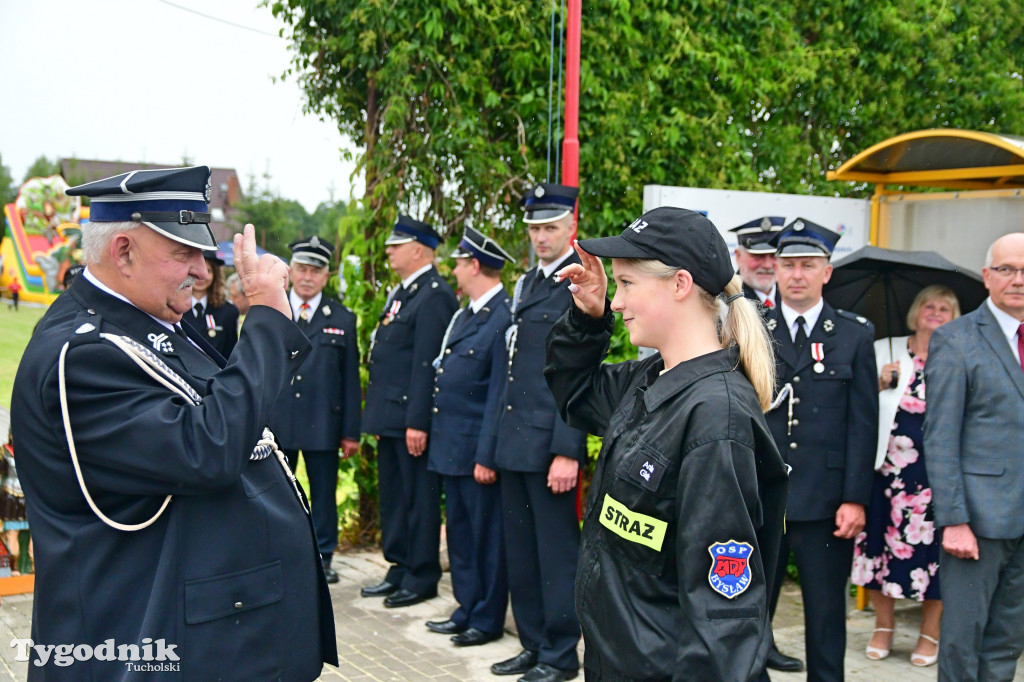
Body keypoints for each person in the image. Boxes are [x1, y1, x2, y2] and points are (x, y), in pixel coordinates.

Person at [10, 166, 336, 679]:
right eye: (182, 253)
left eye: (202, 253)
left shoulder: (149, 320)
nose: (202, 271)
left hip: (207, 636)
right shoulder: (83, 356)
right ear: (122, 251)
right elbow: (208, 449)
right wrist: (268, 322)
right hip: (141, 642)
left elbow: (224, 407)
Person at [545, 207, 789, 680]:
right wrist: (588, 317)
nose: (616, 302)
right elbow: (575, 395)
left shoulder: (716, 417)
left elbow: (723, 618)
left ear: (680, 285)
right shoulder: (652, 376)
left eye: (627, 284)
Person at [763, 218, 878, 682]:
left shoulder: (853, 335)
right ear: (775, 268)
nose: (796, 275)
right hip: (762, 496)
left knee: (828, 616)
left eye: (808, 265)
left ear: (827, 272)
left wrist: (855, 498)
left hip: (828, 501)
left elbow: (863, 423)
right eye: (788, 264)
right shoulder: (753, 328)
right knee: (745, 610)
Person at [488, 183, 588, 682]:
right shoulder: (527, 282)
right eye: (534, 229)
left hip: (551, 446)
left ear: (570, 226)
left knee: (555, 554)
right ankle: (532, 643)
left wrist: (567, 450)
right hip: (515, 442)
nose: (541, 237)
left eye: (550, 227)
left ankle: (561, 653)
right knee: (520, 551)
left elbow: (576, 373)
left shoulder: (578, 282)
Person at [924, 233, 1024, 681]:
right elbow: (940, 437)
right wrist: (954, 520)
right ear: (987, 277)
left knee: (1006, 643)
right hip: (977, 524)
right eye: (1007, 269)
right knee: (963, 646)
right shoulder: (956, 340)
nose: (1018, 280)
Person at [851, 285, 959, 667]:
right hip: (886, 472)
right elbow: (855, 402)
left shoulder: (960, 354)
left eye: (945, 307)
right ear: (915, 311)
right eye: (928, 305)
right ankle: (884, 627)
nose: (936, 312)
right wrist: (877, 382)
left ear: (955, 316)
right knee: (880, 550)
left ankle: (931, 634)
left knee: (935, 557)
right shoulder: (886, 348)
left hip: (938, 477)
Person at [361, 215, 458, 607]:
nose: (388, 251)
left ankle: (421, 575)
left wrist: (418, 420)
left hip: (410, 419)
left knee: (418, 498)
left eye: (396, 245)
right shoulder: (403, 292)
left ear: (418, 250)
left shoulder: (433, 294)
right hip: (390, 416)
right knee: (395, 498)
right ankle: (400, 565)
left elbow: (425, 364)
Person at [424, 226, 514, 647]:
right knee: (459, 532)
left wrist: (487, 455)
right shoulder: (467, 315)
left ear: (475, 265)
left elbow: (499, 393)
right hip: (451, 446)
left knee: (485, 538)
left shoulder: (503, 318)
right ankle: (466, 607)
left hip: (477, 450)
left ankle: (487, 617)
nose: (455, 269)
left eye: (460, 262)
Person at [269, 235, 361, 585]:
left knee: (323, 495)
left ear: (326, 276)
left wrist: (351, 431)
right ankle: (280, 549)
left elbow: (350, 378)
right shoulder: (273, 311)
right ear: (292, 272)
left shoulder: (342, 318)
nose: (308, 277)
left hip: (323, 421)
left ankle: (324, 556)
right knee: (277, 491)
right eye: (302, 269)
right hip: (278, 421)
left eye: (315, 271)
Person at [182, 250, 239, 358]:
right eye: (194, 270)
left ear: (215, 275)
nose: (201, 276)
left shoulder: (228, 311)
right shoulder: (174, 308)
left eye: (208, 271)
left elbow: (230, 353)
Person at [730, 216, 784, 311]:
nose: (767, 265)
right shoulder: (727, 301)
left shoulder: (795, 297)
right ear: (738, 256)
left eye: (774, 255)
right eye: (758, 256)